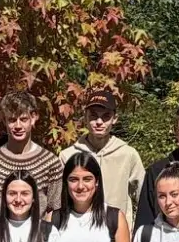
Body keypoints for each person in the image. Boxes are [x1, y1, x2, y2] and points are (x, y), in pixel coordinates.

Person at [59, 88, 146, 224]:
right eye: (93, 116)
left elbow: (144, 197)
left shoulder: (128, 155)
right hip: (77, 231)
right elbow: (60, 200)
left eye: (106, 116)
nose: (99, 122)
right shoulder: (68, 156)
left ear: (114, 119)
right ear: (85, 117)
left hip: (118, 233)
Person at [0, 92, 65, 207]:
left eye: (23, 119)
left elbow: (54, 209)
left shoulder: (50, 163)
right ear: (4, 120)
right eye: (12, 120)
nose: (18, 126)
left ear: (33, 118)